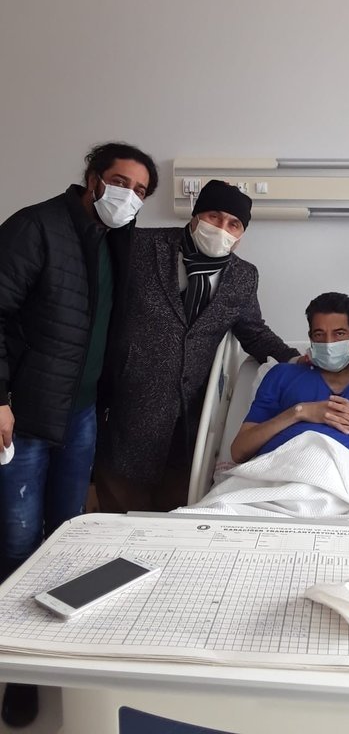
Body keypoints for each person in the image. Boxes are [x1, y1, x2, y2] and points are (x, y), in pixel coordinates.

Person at [0, 141, 158, 727]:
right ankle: (18, 668)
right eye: (120, 182)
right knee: (17, 541)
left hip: (82, 412)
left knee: (68, 535)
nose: (128, 196)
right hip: (25, 413)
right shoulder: (35, 227)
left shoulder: (119, 242)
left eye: (141, 191)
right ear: (92, 178)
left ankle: (57, 647)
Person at [95, 180, 299, 513]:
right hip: (128, 408)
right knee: (122, 514)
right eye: (214, 216)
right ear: (195, 215)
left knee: (175, 515)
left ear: (241, 234)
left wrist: (294, 360)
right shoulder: (141, 247)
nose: (221, 228)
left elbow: (253, 332)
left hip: (189, 420)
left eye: (233, 224)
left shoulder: (242, 276)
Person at [231, 292, 349, 490]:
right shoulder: (282, 375)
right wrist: (298, 413)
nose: (329, 343)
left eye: (339, 334)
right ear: (310, 338)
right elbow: (239, 451)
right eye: (319, 334)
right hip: (279, 479)